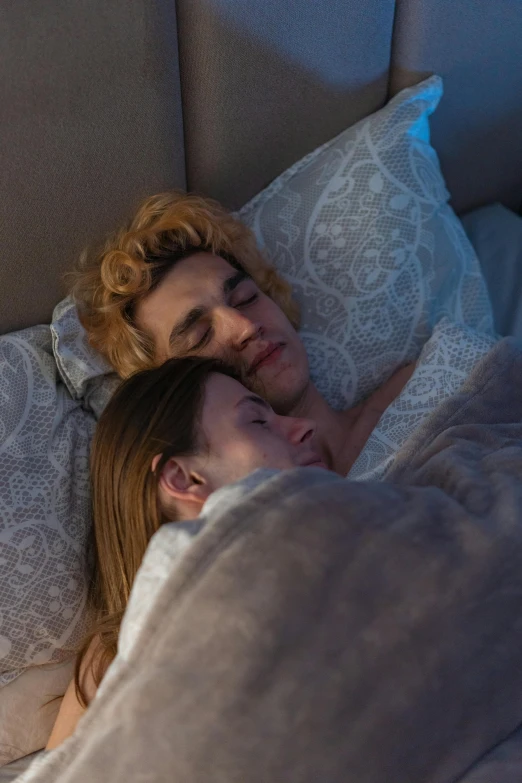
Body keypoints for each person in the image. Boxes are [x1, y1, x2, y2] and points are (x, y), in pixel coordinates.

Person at [46, 355, 328, 750]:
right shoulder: (116, 660)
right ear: (184, 477)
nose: (305, 427)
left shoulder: (366, 542)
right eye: (259, 422)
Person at [71, 191, 414, 476]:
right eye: (201, 336)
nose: (246, 327)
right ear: (174, 388)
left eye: (246, 298)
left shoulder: (428, 386)